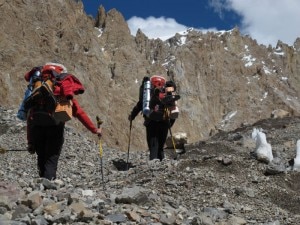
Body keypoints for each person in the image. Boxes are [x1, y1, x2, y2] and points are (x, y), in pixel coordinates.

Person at [20, 63, 102, 180]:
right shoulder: (59, 88)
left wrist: (30, 141)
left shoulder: (36, 90)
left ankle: (41, 185)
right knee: (51, 157)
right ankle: (48, 185)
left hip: (37, 126)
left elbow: (29, 117)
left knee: (41, 156)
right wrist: (94, 130)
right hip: (55, 127)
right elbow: (79, 113)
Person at [129, 75, 177, 161]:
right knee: (161, 147)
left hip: (151, 123)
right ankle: (163, 167)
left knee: (153, 147)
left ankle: (153, 167)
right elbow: (173, 109)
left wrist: (132, 116)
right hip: (164, 123)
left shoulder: (149, 94)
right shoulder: (166, 94)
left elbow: (140, 104)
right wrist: (170, 124)